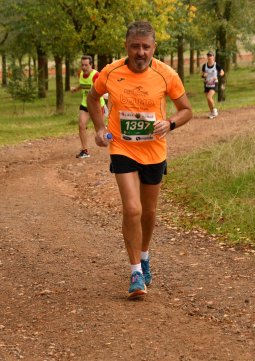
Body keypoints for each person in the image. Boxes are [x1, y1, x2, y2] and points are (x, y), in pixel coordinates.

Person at [86, 21, 193, 299]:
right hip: (122, 147)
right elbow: (93, 97)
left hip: (154, 151)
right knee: (132, 209)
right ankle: (135, 272)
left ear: (154, 48)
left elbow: (186, 110)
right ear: (127, 47)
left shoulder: (166, 74)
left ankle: (144, 255)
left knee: (148, 212)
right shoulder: (111, 72)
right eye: (136, 46)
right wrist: (99, 128)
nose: (141, 52)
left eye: (146, 47)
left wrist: (169, 124)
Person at [71, 55, 106, 159]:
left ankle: (115, 146)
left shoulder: (96, 75)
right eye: (82, 65)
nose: (84, 67)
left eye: (86, 65)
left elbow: (101, 89)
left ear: (91, 65)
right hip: (85, 104)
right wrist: (76, 89)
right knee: (81, 125)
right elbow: (83, 84)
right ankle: (84, 150)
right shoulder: (80, 73)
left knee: (100, 130)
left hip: (97, 105)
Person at [201, 51, 224, 119]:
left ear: (213, 57)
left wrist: (217, 75)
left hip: (214, 83)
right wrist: (203, 75)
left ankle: (214, 110)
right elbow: (202, 74)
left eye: (210, 56)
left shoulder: (216, 65)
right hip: (207, 84)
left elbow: (222, 72)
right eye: (208, 56)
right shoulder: (204, 65)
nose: (209, 57)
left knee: (209, 97)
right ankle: (212, 112)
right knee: (208, 100)